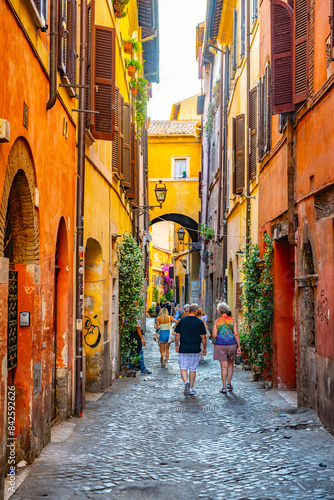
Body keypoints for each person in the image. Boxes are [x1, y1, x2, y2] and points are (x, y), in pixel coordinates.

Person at [174, 303, 207, 395]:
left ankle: (186, 382)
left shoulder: (182, 320)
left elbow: (177, 334)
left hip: (184, 348)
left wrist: (177, 345)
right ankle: (191, 388)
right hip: (195, 348)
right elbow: (203, 337)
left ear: (188, 310)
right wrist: (204, 348)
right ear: (197, 311)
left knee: (183, 367)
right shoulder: (199, 321)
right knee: (192, 369)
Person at [212, 302, 241, 393]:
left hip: (220, 345)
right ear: (227, 311)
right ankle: (229, 383)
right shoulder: (232, 320)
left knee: (223, 367)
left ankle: (224, 387)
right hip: (232, 344)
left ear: (219, 311)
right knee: (230, 364)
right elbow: (236, 334)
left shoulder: (217, 321)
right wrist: (239, 346)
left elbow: (214, 335)